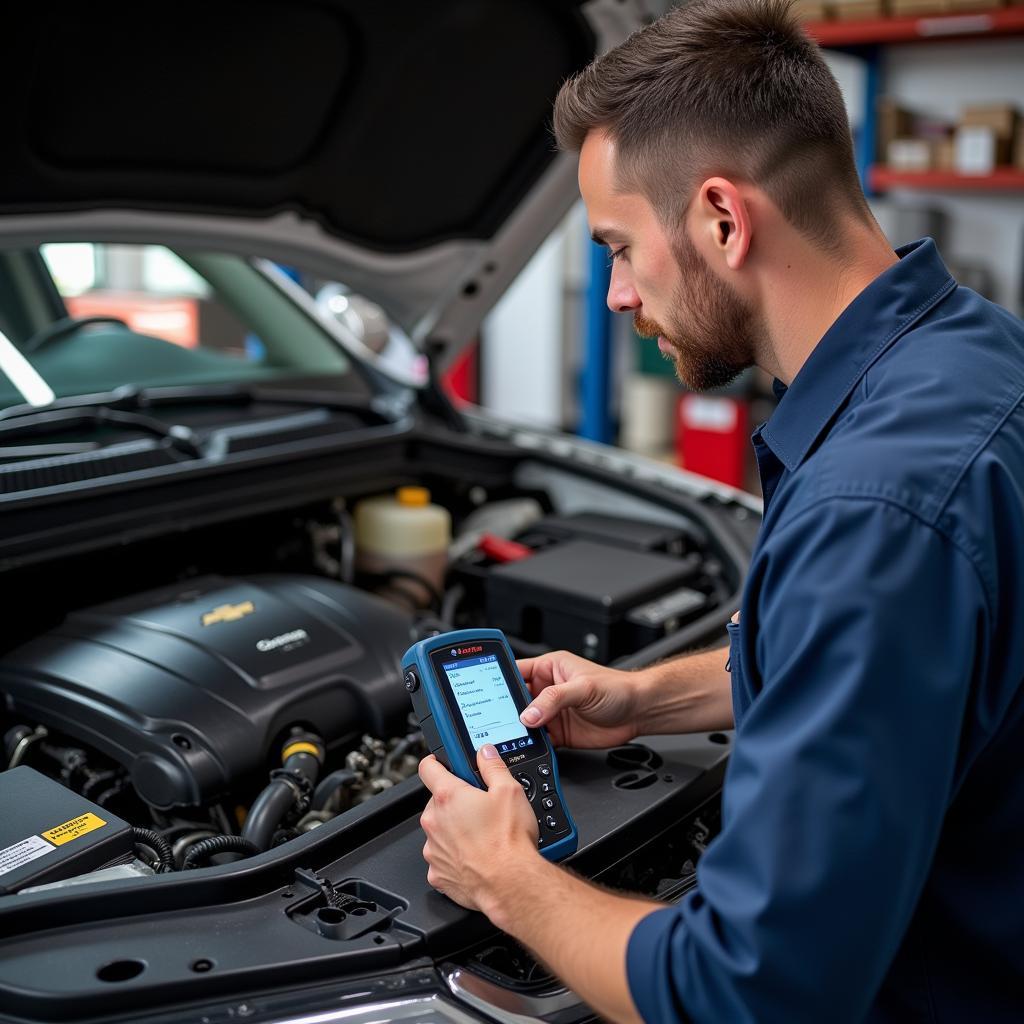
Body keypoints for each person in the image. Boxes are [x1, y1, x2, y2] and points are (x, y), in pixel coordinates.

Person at [417, 0, 1024, 1020]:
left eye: (617, 245)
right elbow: (910, 671)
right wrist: (646, 697)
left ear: (722, 220)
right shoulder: (972, 352)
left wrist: (507, 879)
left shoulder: (871, 511)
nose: (615, 294)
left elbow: (743, 993)